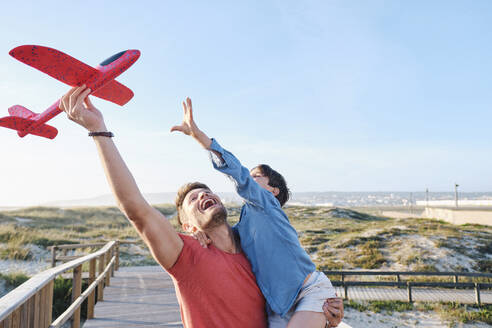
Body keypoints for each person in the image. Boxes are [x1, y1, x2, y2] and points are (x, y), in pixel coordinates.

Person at [59, 85, 344, 327]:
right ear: (188, 226)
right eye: (191, 201)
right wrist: (99, 131)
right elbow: (136, 208)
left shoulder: (252, 251)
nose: (202, 196)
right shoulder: (186, 254)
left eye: (207, 192)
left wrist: (330, 316)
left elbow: (294, 286)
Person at [171, 97, 340, 327]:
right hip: (278, 307)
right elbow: (224, 236)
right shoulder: (243, 228)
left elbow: (238, 176)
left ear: (272, 191)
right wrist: (199, 234)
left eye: (256, 177)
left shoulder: (267, 204)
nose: (249, 179)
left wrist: (205, 141)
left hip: (308, 291)